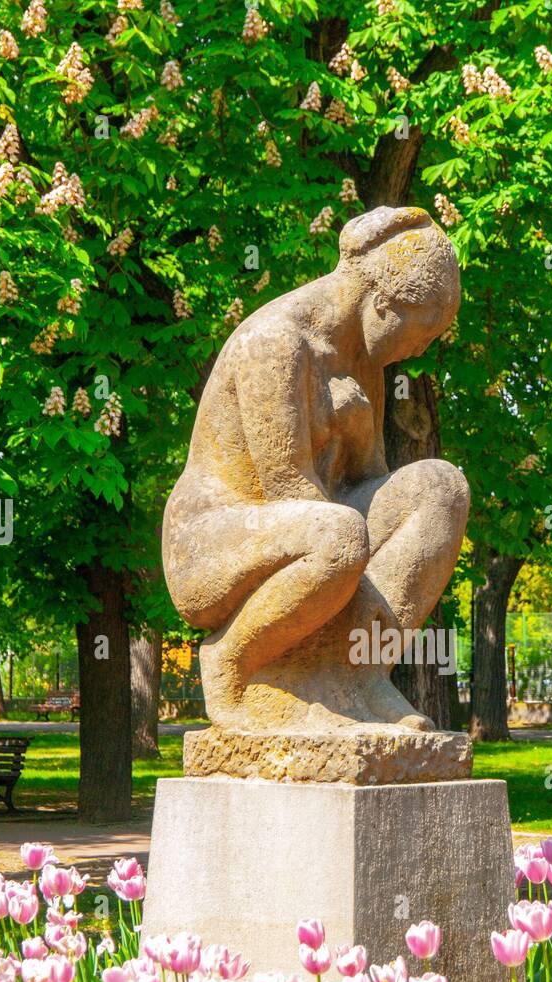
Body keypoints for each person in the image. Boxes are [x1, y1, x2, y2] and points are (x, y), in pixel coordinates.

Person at [163, 205, 470, 732]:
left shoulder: (361, 362)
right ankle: (233, 665)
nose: (420, 350)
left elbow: (370, 481)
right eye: (421, 335)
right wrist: (366, 592)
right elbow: (287, 488)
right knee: (339, 535)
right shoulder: (277, 342)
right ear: (381, 304)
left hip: (318, 533)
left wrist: (356, 435)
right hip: (214, 543)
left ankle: (359, 675)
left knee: (441, 487)